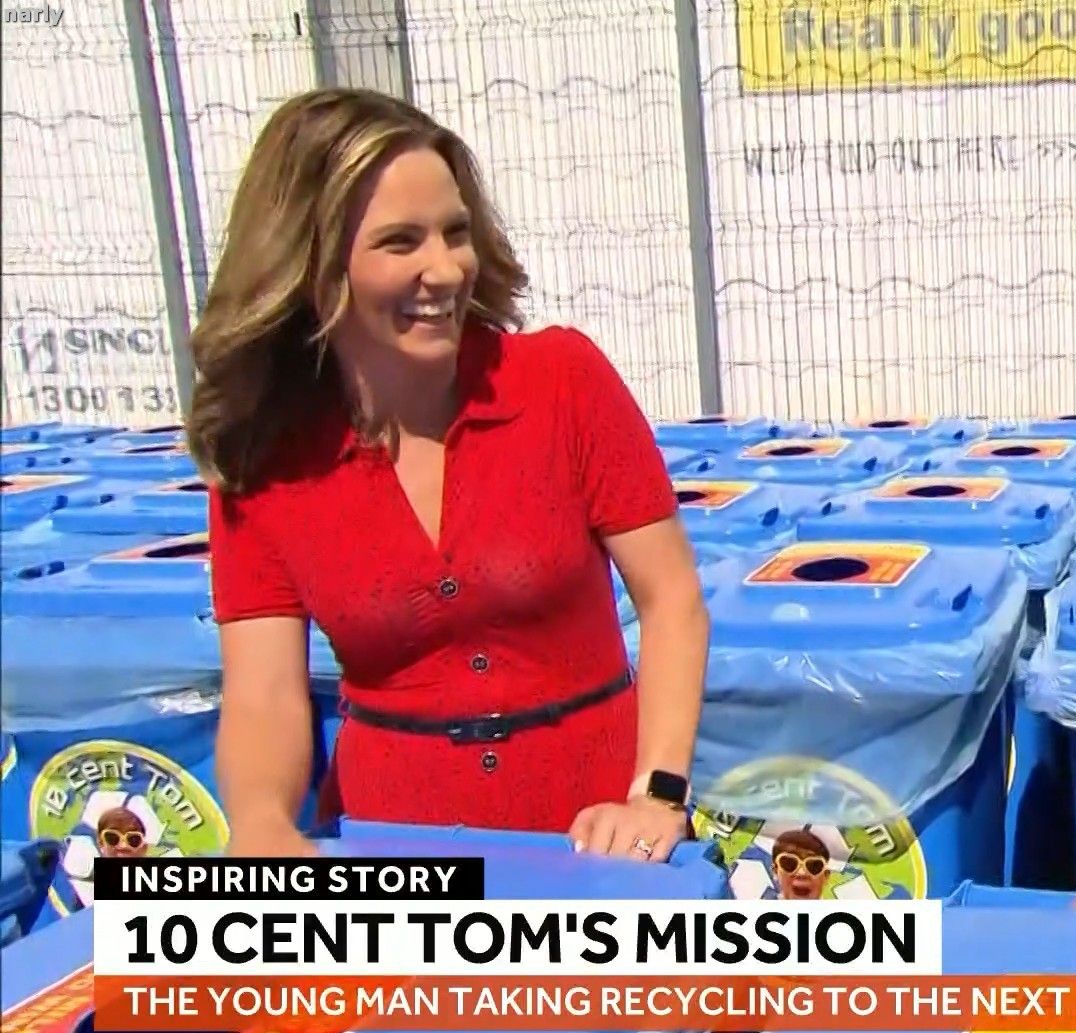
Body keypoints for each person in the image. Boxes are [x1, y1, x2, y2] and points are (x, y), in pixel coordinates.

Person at [188, 88, 709, 864]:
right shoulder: (264, 456)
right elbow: (263, 690)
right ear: (313, 265)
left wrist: (657, 793)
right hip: (392, 841)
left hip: (596, 840)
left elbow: (672, 600)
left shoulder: (563, 382)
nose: (446, 268)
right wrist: (262, 821)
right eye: (401, 243)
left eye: (455, 233)